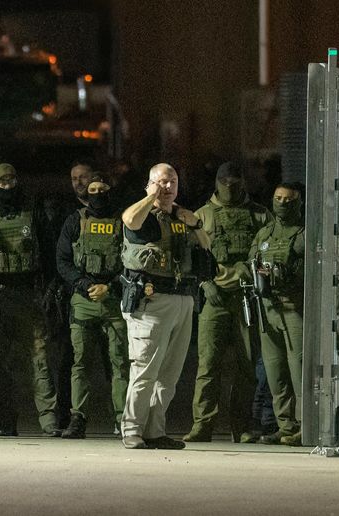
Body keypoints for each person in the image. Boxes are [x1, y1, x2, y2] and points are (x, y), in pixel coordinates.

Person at [119, 163, 215, 450]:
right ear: (149, 184)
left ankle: (155, 430)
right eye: (162, 182)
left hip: (183, 298)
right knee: (145, 369)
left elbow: (206, 246)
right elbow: (129, 220)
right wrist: (152, 197)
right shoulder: (144, 215)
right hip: (151, 302)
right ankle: (132, 429)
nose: (168, 187)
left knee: (169, 375)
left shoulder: (182, 216)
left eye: (172, 181)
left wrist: (195, 223)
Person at [184, 162, 273, 443]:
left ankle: (242, 425)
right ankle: (203, 425)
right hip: (215, 299)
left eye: (235, 182)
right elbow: (188, 257)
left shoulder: (260, 216)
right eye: (225, 182)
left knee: (247, 367)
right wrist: (203, 283)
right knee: (208, 365)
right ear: (217, 183)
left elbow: (271, 252)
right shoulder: (202, 216)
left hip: (247, 298)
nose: (230, 188)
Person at [0, 163, 60, 437]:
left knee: (40, 361)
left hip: (27, 294)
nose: (8, 186)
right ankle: (6, 421)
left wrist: (50, 287)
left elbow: (47, 251)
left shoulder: (30, 211)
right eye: (2, 182)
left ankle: (49, 421)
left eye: (12, 180)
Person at [55, 180, 129, 439]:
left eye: (102, 189)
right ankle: (78, 418)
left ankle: (122, 419)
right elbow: (63, 260)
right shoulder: (75, 220)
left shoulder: (123, 220)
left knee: (120, 362)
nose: (98, 194)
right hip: (83, 300)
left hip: (113, 300)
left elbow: (131, 261)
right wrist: (84, 284)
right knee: (80, 362)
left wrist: (110, 286)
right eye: (93, 190)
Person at [245, 183, 306, 446]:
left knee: (300, 371)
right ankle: (285, 425)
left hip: (295, 310)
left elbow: (315, 271)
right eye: (278, 198)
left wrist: (285, 274)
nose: (282, 203)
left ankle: (306, 425)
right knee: (275, 372)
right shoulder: (265, 233)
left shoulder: (306, 233)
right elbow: (251, 262)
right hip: (267, 309)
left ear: (299, 202)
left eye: (288, 200)